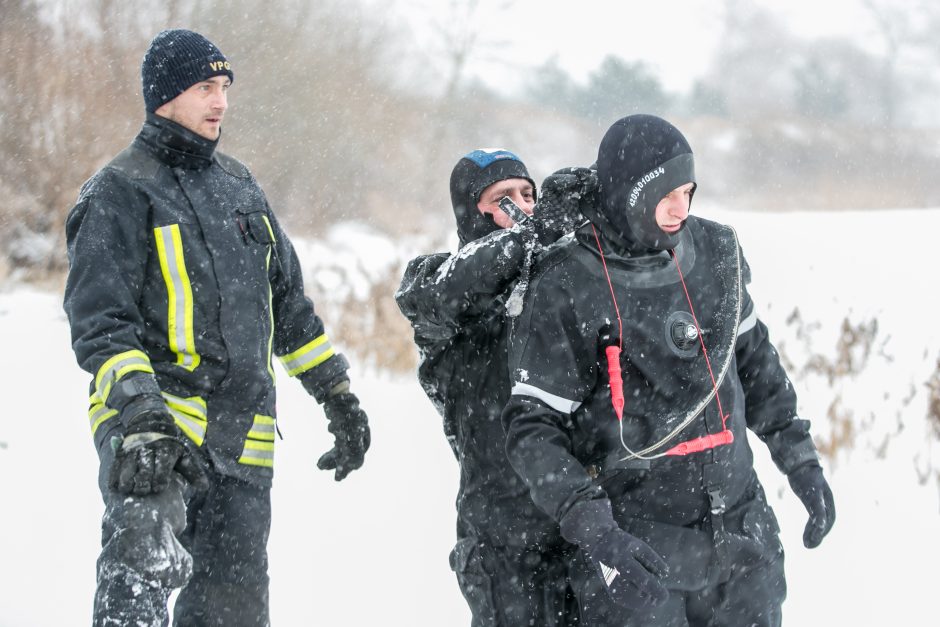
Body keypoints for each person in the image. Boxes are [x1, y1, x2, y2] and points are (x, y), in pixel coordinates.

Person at [63, 29, 370, 626]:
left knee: (232, 613)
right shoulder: (119, 191)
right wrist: (142, 416)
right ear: (165, 95)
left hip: (243, 444)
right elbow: (101, 324)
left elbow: (289, 309)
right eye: (206, 87)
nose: (220, 101)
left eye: (224, 87)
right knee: (138, 590)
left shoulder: (240, 186)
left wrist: (337, 395)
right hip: (154, 434)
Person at [501, 114, 836, 626]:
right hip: (637, 555)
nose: (683, 207)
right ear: (629, 195)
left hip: (743, 542)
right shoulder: (567, 283)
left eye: (688, 189)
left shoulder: (717, 255)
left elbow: (758, 368)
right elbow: (533, 431)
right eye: (666, 194)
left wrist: (802, 463)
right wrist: (595, 528)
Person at [395, 149, 583, 626]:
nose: (524, 206)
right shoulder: (433, 284)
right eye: (504, 198)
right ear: (471, 212)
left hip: (578, 521)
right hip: (502, 534)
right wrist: (535, 234)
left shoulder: (555, 282)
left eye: (529, 194)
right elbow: (454, 289)